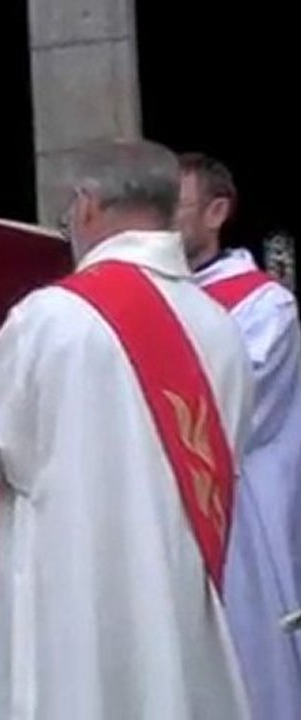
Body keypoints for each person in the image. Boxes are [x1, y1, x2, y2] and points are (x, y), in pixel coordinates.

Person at [0, 140, 254, 719]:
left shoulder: (55, 319)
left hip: (74, 595)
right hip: (173, 590)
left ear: (89, 205)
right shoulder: (218, 328)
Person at [177, 152, 301, 720]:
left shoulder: (264, 304)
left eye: (173, 207)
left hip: (242, 520)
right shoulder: (152, 294)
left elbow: (235, 410)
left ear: (216, 211)